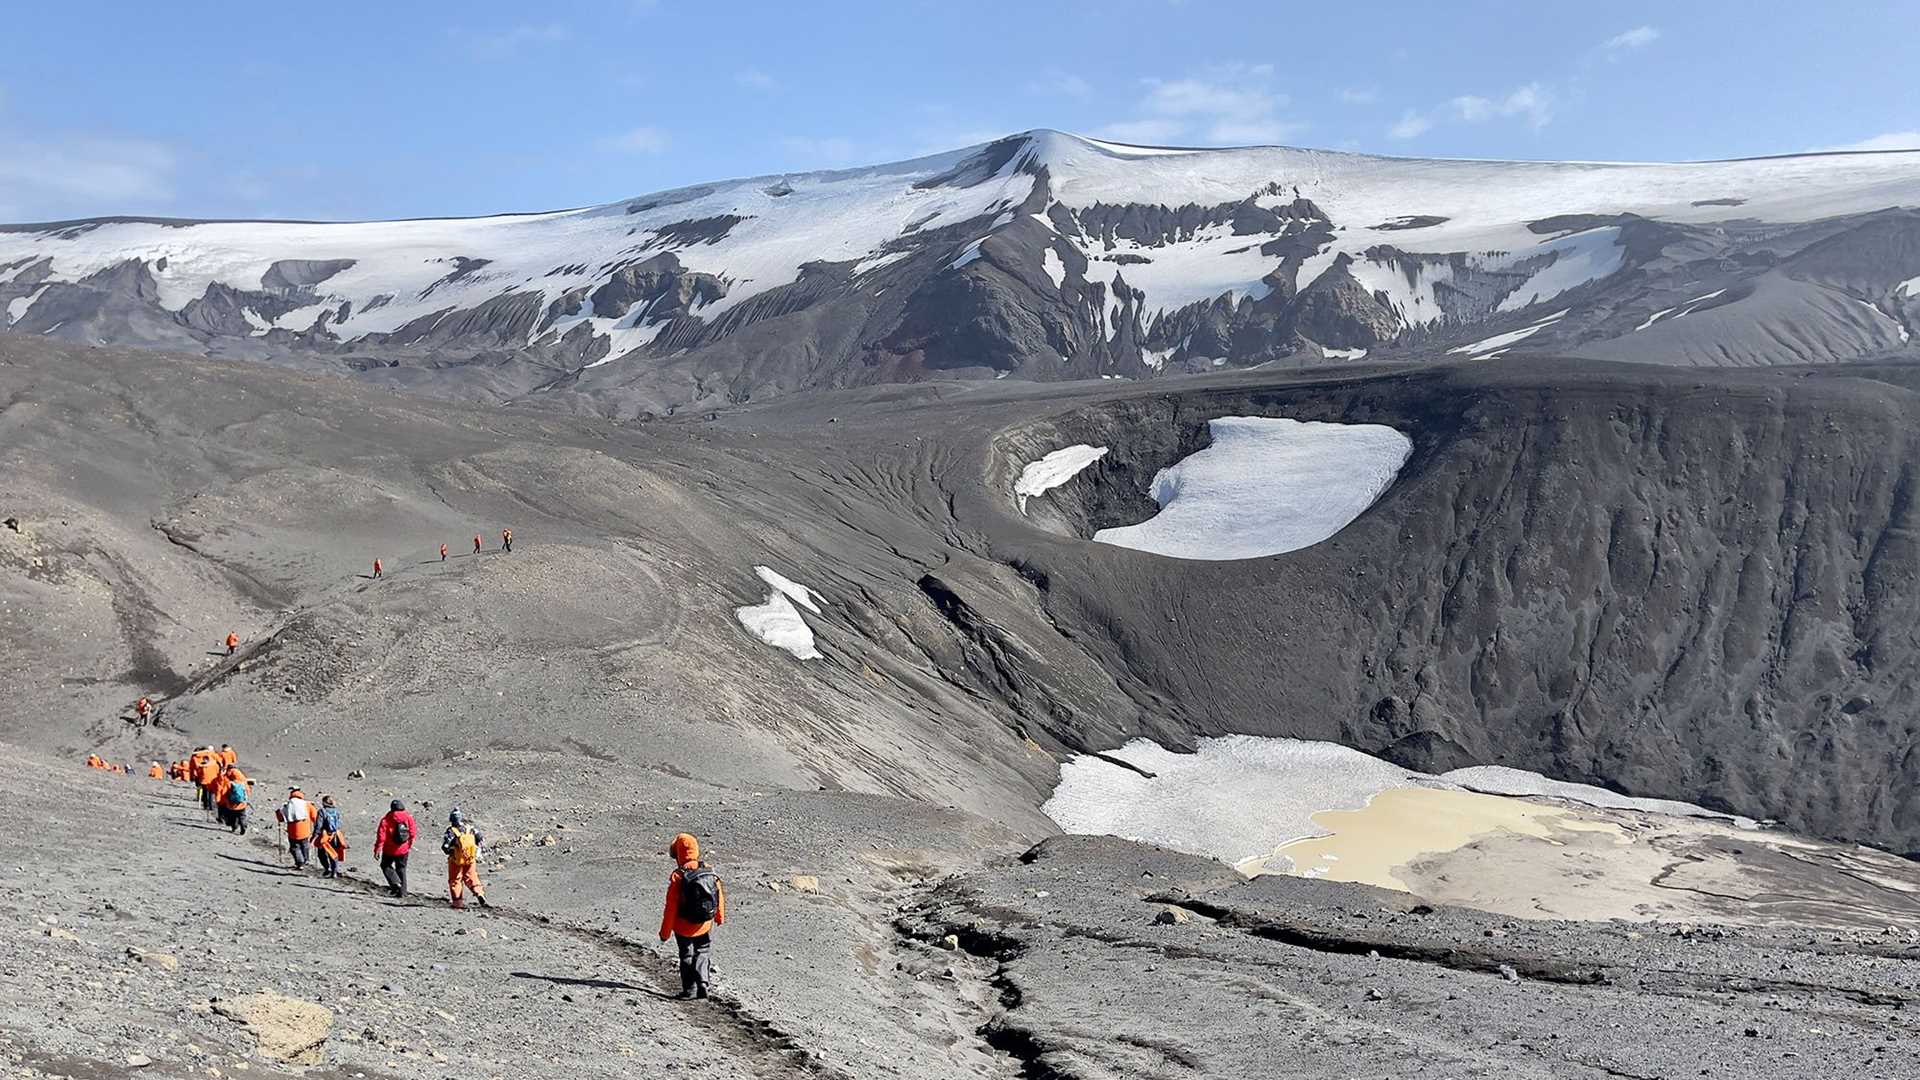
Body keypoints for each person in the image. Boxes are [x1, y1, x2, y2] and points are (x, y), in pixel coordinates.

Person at [658, 832, 726, 1000]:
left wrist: (665, 933)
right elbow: (719, 895)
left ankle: (690, 990)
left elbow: (671, 908)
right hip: (704, 923)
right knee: (703, 950)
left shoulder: (678, 876)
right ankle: (703, 982)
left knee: (686, 955)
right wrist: (719, 917)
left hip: (683, 926)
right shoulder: (708, 870)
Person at [442, 809, 488, 910]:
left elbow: (445, 847)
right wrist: (478, 852)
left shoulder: (451, 831)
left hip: (456, 860)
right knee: (472, 876)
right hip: (470, 858)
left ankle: (457, 903)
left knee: (455, 880)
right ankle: (479, 892)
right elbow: (481, 839)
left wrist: (450, 852)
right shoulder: (470, 828)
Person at [375, 799, 418, 898]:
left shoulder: (386, 819)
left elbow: (381, 836)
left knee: (385, 865)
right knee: (401, 869)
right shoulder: (408, 817)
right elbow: (412, 833)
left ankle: (395, 883)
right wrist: (409, 845)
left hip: (389, 849)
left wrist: (378, 849)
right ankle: (403, 892)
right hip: (403, 849)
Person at [279, 787, 316, 869]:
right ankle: (306, 860)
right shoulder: (307, 804)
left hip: (292, 831)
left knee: (295, 847)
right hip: (305, 830)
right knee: (305, 845)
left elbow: (281, 818)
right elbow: (314, 817)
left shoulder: (288, 805)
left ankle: (300, 863)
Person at [314, 795, 346, 879]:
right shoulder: (336, 811)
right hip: (335, 835)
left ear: (324, 802)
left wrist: (315, 835)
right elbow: (339, 824)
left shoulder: (322, 811)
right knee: (333, 853)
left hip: (324, 836)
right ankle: (334, 872)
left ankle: (327, 868)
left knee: (321, 853)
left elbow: (318, 824)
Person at [190, 747, 221, 813]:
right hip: (212, 781)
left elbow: (197, 772)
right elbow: (218, 772)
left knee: (204, 793)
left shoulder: (197, 761)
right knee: (211, 794)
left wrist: (193, 776)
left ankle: (205, 805)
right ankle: (211, 806)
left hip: (204, 781)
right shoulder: (214, 764)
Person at [220, 768, 250, 834]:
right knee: (242, 816)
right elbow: (248, 792)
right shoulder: (243, 783)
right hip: (241, 804)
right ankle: (243, 826)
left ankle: (234, 827)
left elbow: (223, 793)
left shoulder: (229, 783)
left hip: (231, 805)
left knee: (232, 817)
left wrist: (225, 801)